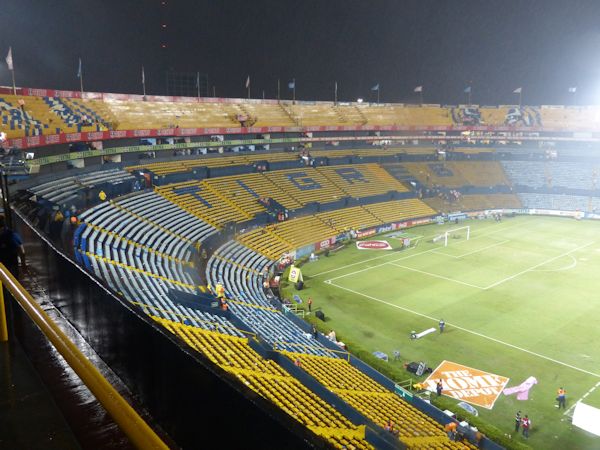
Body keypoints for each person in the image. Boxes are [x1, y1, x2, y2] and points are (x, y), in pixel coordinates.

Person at [0, 214, 26, 279]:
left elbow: (21, 251)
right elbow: (22, 251)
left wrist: (23, 266)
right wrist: (23, 266)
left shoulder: (10, 235)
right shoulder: (12, 234)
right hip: (10, 268)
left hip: (10, 268)